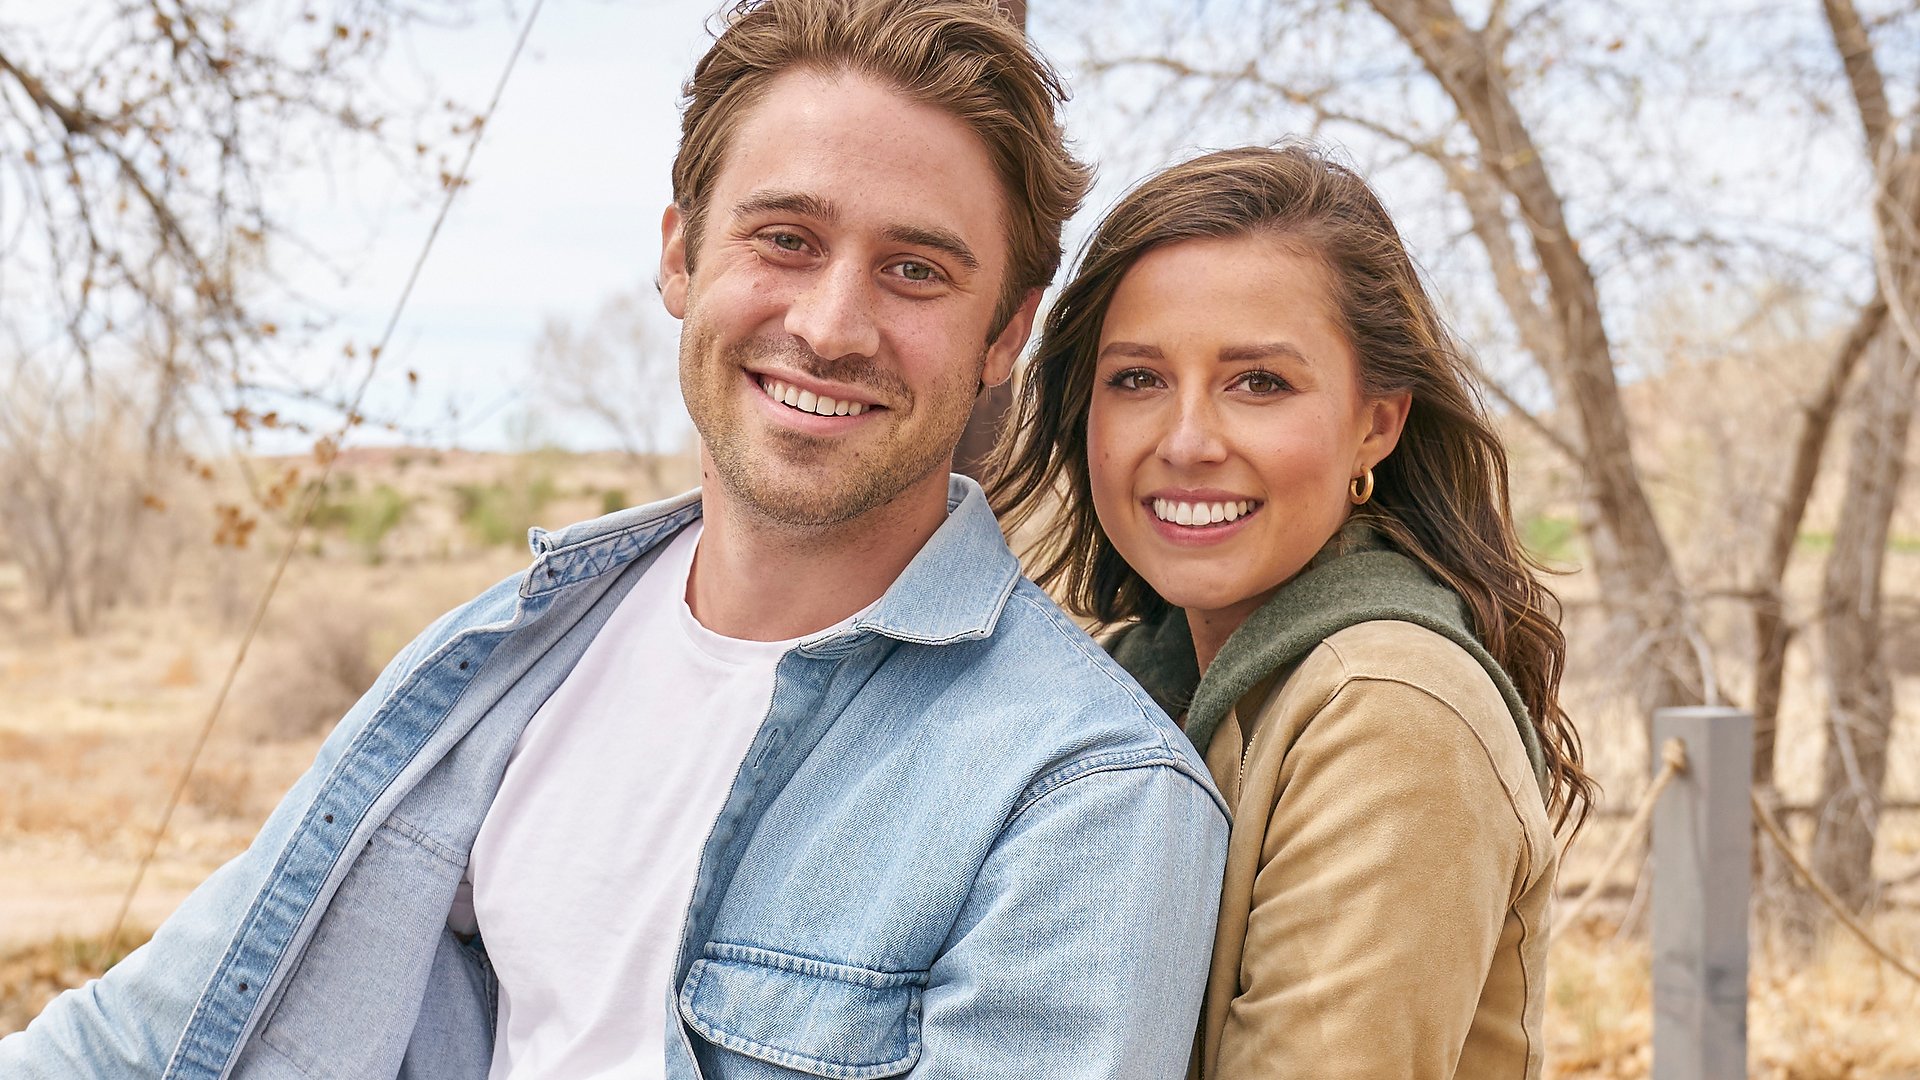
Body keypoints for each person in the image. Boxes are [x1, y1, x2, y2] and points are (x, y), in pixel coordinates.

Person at [1, 2, 1230, 1077]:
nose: (832, 322)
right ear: (681, 255)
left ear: (1006, 338)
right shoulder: (506, 657)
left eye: (915, 271)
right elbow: (152, 1033)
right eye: (785, 239)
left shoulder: (1085, 799)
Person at [991, 143, 1596, 1079]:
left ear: (1377, 422)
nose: (1187, 441)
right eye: (1137, 379)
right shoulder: (1123, 678)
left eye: (1259, 383)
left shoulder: (1391, 711)